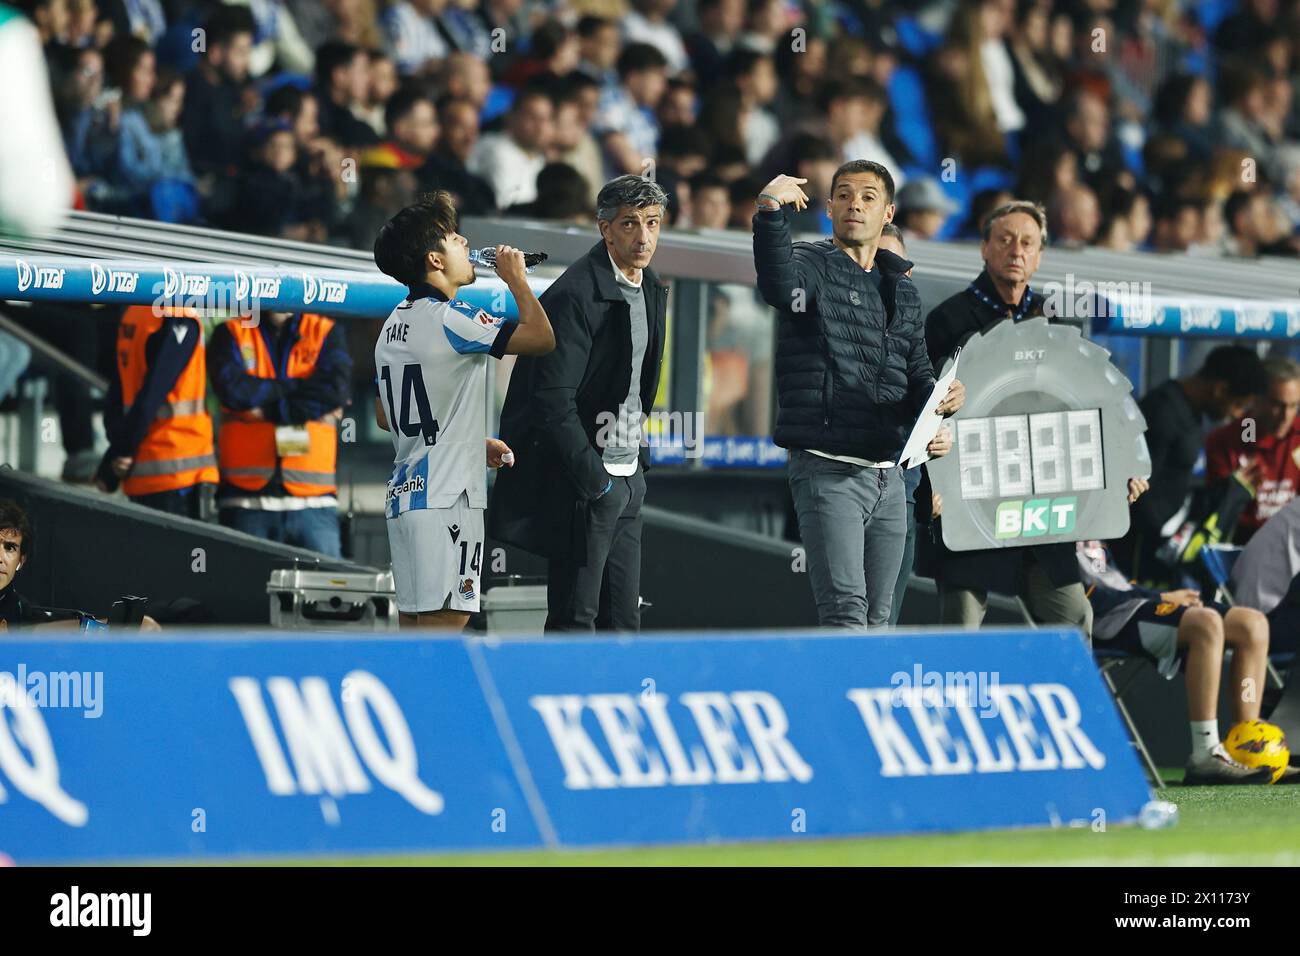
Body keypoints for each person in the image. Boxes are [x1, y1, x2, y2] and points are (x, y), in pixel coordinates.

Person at [753, 161, 964, 629]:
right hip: (829, 470)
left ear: (888, 212)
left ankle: (871, 704)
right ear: (829, 208)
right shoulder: (811, 264)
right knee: (846, 613)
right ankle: (837, 704)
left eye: (868, 197)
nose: (855, 204)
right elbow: (776, 284)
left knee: (881, 619)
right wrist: (770, 210)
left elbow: (916, 373)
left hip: (890, 477)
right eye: (844, 195)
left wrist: (939, 409)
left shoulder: (902, 290)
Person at [924, 201, 1149, 630]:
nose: (1016, 250)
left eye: (1027, 243)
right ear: (985, 248)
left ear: (1040, 255)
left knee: (1074, 618)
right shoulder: (947, 320)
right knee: (962, 627)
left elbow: (1092, 403)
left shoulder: (1056, 317)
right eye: (1005, 240)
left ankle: (1065, 697)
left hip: (1041, 505)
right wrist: (929, 487)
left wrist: (1126, 468)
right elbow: (924, 409)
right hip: (970, 502)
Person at [489, 175, 669, 633]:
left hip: (628, 476)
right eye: (630, 224)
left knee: (624, 622)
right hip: (587, 483)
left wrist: (632, 468)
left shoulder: (652, 287)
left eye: (652, 223)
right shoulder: (574, 295)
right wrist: (595, 481)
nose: (643, 236)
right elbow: (552, 403)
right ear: (605, 229)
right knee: (575, 619)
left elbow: (634, 385)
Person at [373, 192, 555, 630]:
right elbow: (542, 338)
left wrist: (466, 441)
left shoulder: (390, 326)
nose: (466, 243)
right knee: (443, 638)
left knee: (416, 635)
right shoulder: (452, 316)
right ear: (435, 260)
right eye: (455, 238)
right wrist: (516, 280)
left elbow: (386, 415)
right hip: (448, 499)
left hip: (406, 497)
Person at [1077, 540, 1273, 785]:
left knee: (1252, 625)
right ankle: (1205, 752)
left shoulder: (1096, 522)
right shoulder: (1060, 521)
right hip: (1110, 621)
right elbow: (1094, 600)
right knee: (1206, 623)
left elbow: (1117, 583)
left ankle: (1250, 746)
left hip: (1133, 603)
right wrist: (1162, 596)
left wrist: (1159, 597)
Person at [1114, 345, 1266, 582]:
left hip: (1160, 552)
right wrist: (1165, 545)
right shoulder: (1161, 411)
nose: (1238, 416)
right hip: (1139, 555)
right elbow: (1136, 490)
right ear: (1220, 389)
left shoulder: (1190, 412)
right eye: (1239, 405)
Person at [207, 310, 352, 556]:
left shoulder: (326, 332)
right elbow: (234, 391)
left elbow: (334, 390)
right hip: (245, 502)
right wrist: (302, 388)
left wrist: (268, 409)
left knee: (322, 592)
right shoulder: (230, 333)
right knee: (241, 593)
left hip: (314, 502)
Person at [95, 305, 218, 518]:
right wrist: (121, 451)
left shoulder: (133, 312)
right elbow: (151, 395)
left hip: (142, 470)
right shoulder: (178, 317)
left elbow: (119, 391)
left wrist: (117, 451)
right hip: (179, 470)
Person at [1205, 357, 1300, 544]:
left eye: (1293, 406)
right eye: (1277, 405)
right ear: (1257, 399)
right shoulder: (1225, 441)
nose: (1286, 416)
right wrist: (1235, 489)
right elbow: (1216, 516)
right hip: (1240, 549)